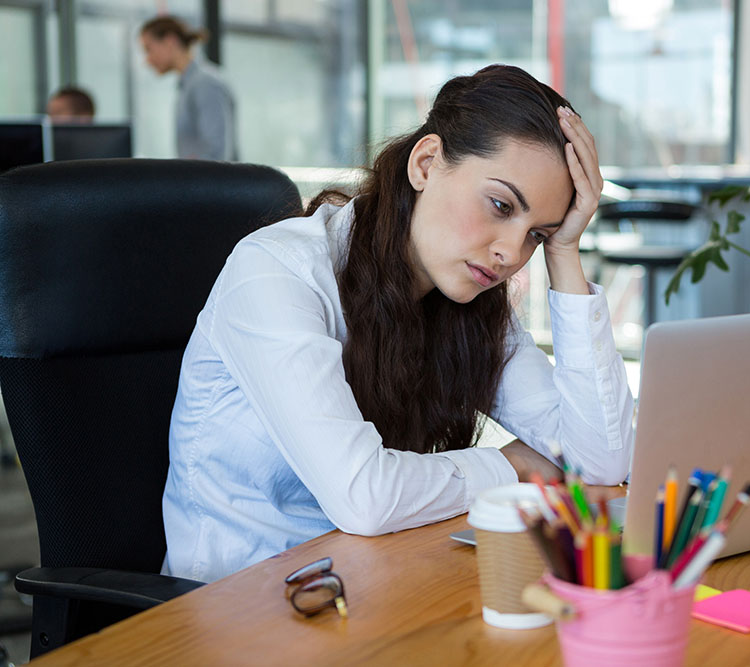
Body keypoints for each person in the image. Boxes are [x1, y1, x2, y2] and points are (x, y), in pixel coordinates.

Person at [162, 65, 635, 583]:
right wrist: (512, 466)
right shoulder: (276, 271)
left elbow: (601, 459)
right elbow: (364, 496)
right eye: (500, 206)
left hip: (373, 575)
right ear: (426, 164)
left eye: (537, 235)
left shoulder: (469, 298)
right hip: (240, 596)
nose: (510, 253)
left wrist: (565, 250)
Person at [139, 15, 238, 161]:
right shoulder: (187, 86)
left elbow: (216, 154)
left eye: (148, 49)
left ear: (170, 41)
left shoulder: (205, 84)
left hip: (210, 177)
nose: (147, 60)